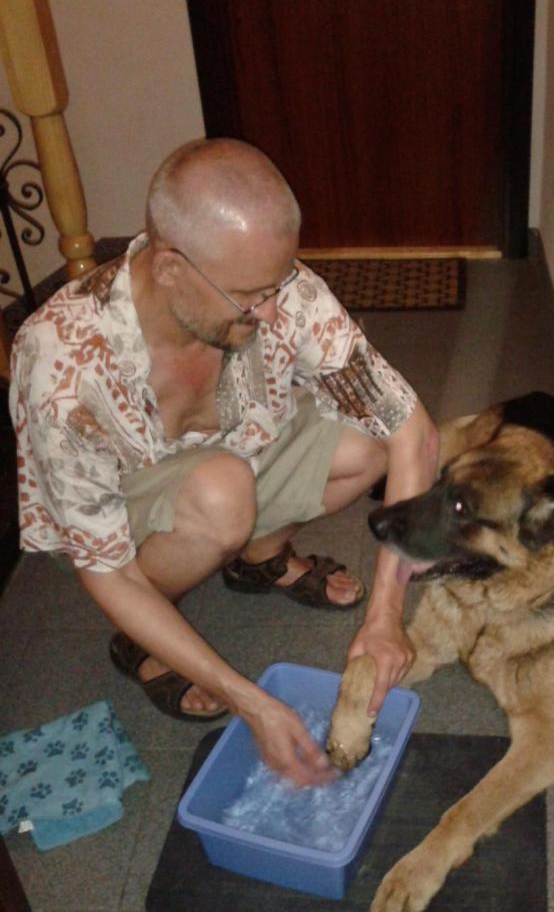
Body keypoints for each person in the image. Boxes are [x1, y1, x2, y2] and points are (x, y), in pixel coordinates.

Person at [10, 138, 438, 785]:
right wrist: (249, 701)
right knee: (222, 491)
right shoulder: (61, 364)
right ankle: (143, 640)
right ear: (170, 268)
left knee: (369, 440)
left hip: (243, 445)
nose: (272, 311)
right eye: (248, 297)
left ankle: (258, 556)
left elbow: (413, 433)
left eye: (277, 283)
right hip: (134, 517)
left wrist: (384, 616)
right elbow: (107, 570)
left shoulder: (280, 291)